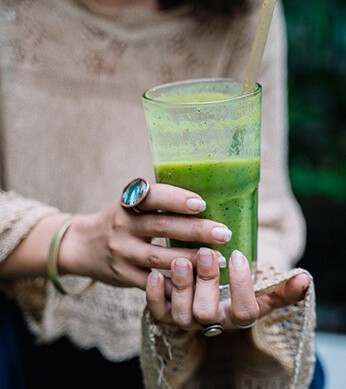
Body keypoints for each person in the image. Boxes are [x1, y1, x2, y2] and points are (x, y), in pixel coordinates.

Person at [0, 0, 321, 387]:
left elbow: (263, 214)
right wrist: (76, 241)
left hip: (183, 342)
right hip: (20, 324)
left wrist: (241, 289)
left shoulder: (245, 11)